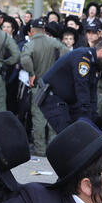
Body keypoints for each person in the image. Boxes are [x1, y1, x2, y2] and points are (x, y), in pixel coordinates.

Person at [37, 37, 102, 133]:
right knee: (68, 135)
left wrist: (93, 118)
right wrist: (87, 118)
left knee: (80, 132)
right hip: (52, 98)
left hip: (67, 101)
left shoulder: (95, 65)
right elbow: (82, 87)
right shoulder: (83, 58)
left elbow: (92, 94)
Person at [20, 18, 66, 156]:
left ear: (32, 31)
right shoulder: (52, 41)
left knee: (39, 118)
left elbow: (25, 59)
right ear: (44, 30)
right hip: (53, 85)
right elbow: (65, 50)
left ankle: (40, 150)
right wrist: (58, 68)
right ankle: (54, 148)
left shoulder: (30, 44)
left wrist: (31, 73)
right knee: (53, 116)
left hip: (38, 85)